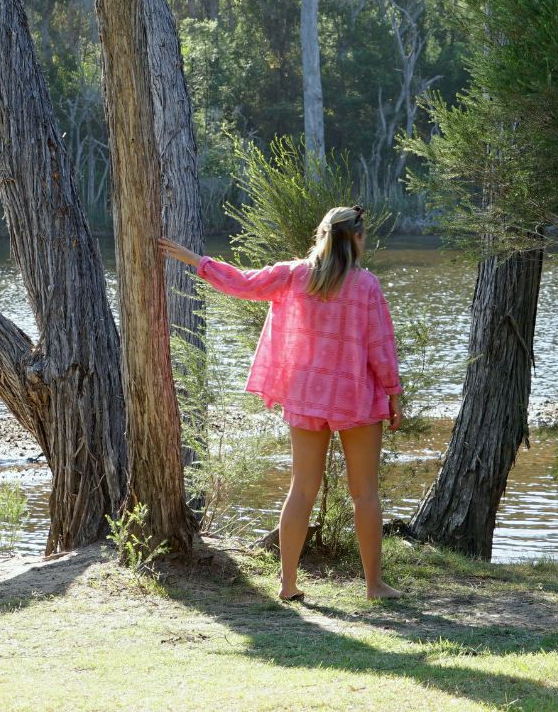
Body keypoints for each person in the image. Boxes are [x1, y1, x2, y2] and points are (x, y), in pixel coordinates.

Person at [160, 204, 403, 602]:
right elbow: (380, 347)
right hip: (354, 396)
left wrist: (196, 260)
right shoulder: (366, 286)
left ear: (321, 235)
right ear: (358, 239)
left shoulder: (294, 275)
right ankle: (374, 586)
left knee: (301, 490)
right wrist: (393, 393)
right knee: (365, 494)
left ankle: (289, 585)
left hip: (306, 396)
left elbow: (243, 283)